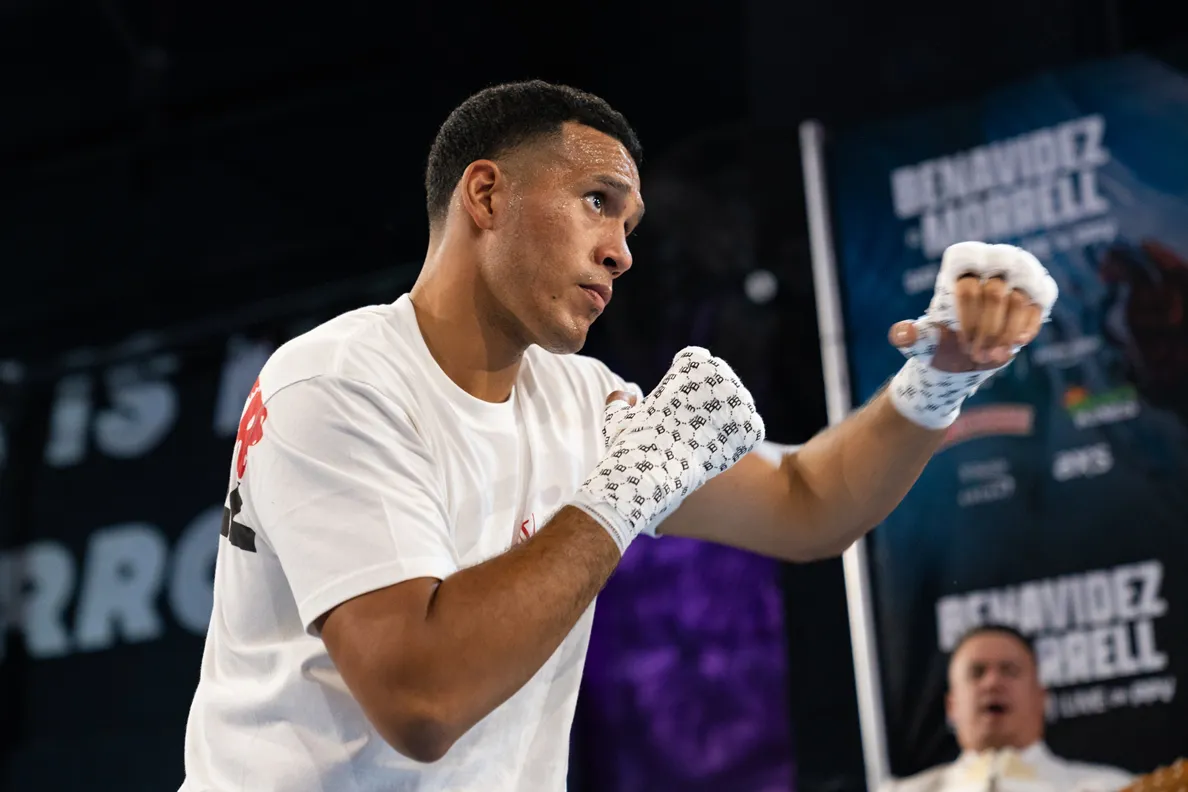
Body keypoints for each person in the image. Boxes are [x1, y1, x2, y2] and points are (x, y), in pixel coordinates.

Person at [178, 80, 1059, 791]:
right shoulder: (335, 381)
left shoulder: (582, 401)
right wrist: (620, 495)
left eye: (630, 226)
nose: (622, 252)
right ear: (486, 194)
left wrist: (939, 379)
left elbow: (807, 504)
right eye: (597, 203)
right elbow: (422, 700)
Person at [879, 625, 1133, 792]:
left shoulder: (1116, 788)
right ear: (951, 706)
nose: (992, 683)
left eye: (1010, 671)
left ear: (1041, 698)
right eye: (976, 673)